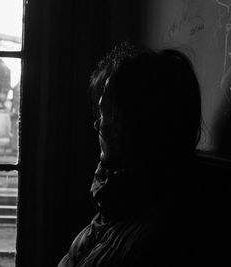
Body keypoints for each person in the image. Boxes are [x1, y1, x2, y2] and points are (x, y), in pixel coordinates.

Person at [58, 43, 202, 267]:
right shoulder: (119, 205)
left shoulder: (144, 227)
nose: (98, 125)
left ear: (129, 124)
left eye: (105, 113)